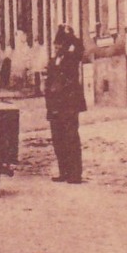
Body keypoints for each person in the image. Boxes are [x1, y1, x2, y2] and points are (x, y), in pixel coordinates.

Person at [45, 25, 87, 184]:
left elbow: (80, 47)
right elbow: (48, 84)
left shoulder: (71, 58)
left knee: (71, 138)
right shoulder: (53, 61)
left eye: (60, 44)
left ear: (65, 45)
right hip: (55, 105)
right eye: (56, 45)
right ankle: (64, 172)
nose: (57, 47)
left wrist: (71, 36)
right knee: (58, 139)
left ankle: (75, 175)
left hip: (69, 104)